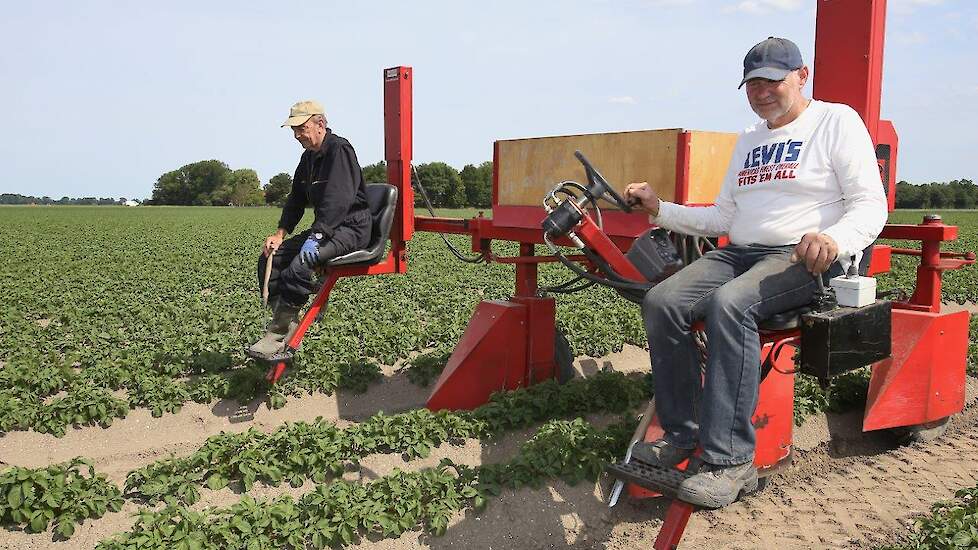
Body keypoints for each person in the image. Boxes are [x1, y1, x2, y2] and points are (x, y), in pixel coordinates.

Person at [622, 37, 887, 508]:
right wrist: (659, 208)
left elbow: (870, 205)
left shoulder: (835, 121)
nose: (762, 92)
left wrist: (835, 240)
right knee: (662, 301)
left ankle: (730, 460)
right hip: (739, 252)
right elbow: (722, 219)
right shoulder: (748, 141)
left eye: (773, 80)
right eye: (753, 83)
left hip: (802, 258)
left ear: (801, 76)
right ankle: (681, 436)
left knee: (731, 304)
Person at [248, 100, 372, 360]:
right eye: (293, 130)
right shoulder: (308, 158)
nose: (296, 135)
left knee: (300, 265)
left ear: (320, 124)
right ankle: (285, 326)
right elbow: (295, 199)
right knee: (272, 258)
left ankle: (279, 333)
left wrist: (317, 235)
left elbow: (337, 201)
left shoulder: (340, 150)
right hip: (327, 228)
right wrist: (280, 234)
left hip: (351, 228)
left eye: (301, 128)